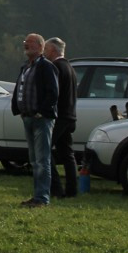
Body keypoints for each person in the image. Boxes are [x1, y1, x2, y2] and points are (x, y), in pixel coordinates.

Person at [11, 33, 59, 207]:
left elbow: (53, 92)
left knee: (42, 160)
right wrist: (20, 110)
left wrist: (41, 112)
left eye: (30, 42)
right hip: (28, 118)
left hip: (41, 119)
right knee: (34, 160)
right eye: (25, 42)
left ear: (40, 47)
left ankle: (42, 198)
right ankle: (38, 196)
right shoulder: (25, 67)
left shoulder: (46, 67)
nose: (26, 45)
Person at [44, 37, 78, 199]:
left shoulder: (55, 67)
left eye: (46, 49)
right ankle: (72, 189)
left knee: (44, 149)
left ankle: (56, 187)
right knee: (67, 154)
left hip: (59, 116)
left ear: (52, 50)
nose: (44, 53)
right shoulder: (70, 67)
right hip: (70, 115)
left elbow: (53, 93)